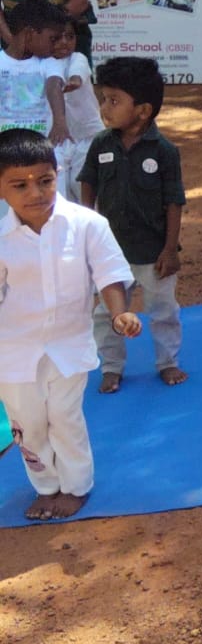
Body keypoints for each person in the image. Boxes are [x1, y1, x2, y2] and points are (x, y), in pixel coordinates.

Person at [0, 128, 140, 521]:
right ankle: (46, 486)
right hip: (13, 349)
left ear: (57, 174)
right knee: (28, 423)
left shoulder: (87, 224)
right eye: (19, 185)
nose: (36, 193)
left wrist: (119, 313)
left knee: (64, 416)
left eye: (45, 180)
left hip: (69, 343)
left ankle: (76, 486)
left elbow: (109, 273)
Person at [77, 57, 187, 392]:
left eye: (114, 100)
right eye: (103, 99)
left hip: (153, 253)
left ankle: (168, 362)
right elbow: (88, 183)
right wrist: (86, 229)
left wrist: (170, 249)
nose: (104, 108)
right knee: (105, 313)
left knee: (163, 310)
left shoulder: (164, 151)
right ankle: (111, 367)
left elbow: (174, 201)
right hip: (110, 253)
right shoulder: (101, 144)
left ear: (142, 111)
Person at [0, 0, 69, 159]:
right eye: (53, 39)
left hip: (44, 148)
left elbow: (54, 86)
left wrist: (59, 121)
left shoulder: (50, 62)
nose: (57, 45)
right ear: (29, 34)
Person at [47, 22, 101, 202]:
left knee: (82, 185)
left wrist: (75, 81)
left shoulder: (78, 58)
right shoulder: (43, 63)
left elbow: (77, 74)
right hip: (57, 138)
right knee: (59, 189)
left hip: (86, 136)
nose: (64, 42)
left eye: (70, 37)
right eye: (57, 37)